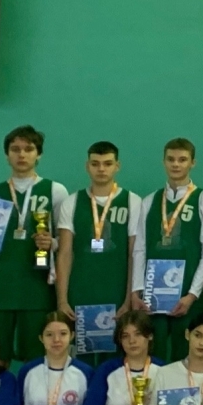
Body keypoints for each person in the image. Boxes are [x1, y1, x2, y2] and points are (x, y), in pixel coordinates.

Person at [0, 126, 68, 366]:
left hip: (37, 288)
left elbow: (66, 241)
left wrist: (52, 242)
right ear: (7, 155)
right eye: (15, 149)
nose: (22, 154)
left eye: (28, 149)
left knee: (38, 361)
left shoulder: (55, 191)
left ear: (39, 154)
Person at [130, 138, 203, 361]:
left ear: (193, 163)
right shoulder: (149, 201)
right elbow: (139, 249)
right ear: (164, 162)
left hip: (187, 297)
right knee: (152, 355)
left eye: (182, 159)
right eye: (171, 159)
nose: (176, 164)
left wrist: (192, 295)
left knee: (187, 355)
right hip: (152, 299)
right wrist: (136, 290)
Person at [55, 141, 143, 349]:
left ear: (117, 166)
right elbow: (65, 253)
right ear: (87, 166)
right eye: (95, 164)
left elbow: (134, 253)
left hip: (117, 290)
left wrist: (129, 298)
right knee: (81, 352)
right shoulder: (72, 202)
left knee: (117, 351)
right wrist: (62, 300)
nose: (101, 169)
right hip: (80, 291)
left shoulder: (133, 201)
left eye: (107, 163)